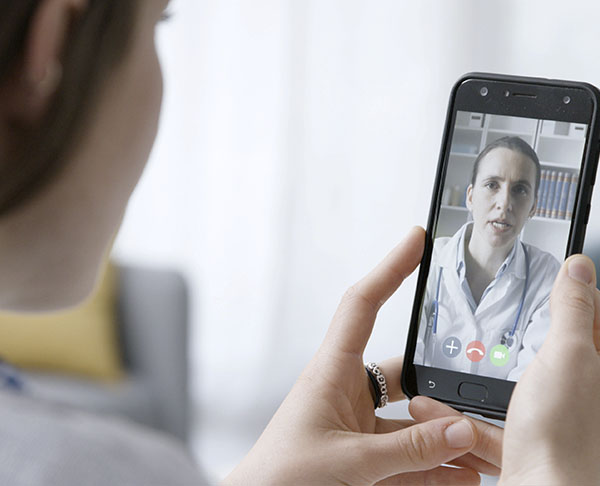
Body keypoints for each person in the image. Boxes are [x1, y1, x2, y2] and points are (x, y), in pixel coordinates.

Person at [0, 1, 598, 485]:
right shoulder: (91, 470)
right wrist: (556, 473)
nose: (504, 202)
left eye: (521, 190)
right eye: (161, 21)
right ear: (50, 45)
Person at [415, 136, 561, 380]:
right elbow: (410, 356)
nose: (504, 204)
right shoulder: (429, 259)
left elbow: (530, 378)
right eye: (492, 185)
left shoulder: (547, 275)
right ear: (470, 197)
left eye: (520, 190)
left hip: (503, 408)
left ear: (534, 207)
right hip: (422, 401)